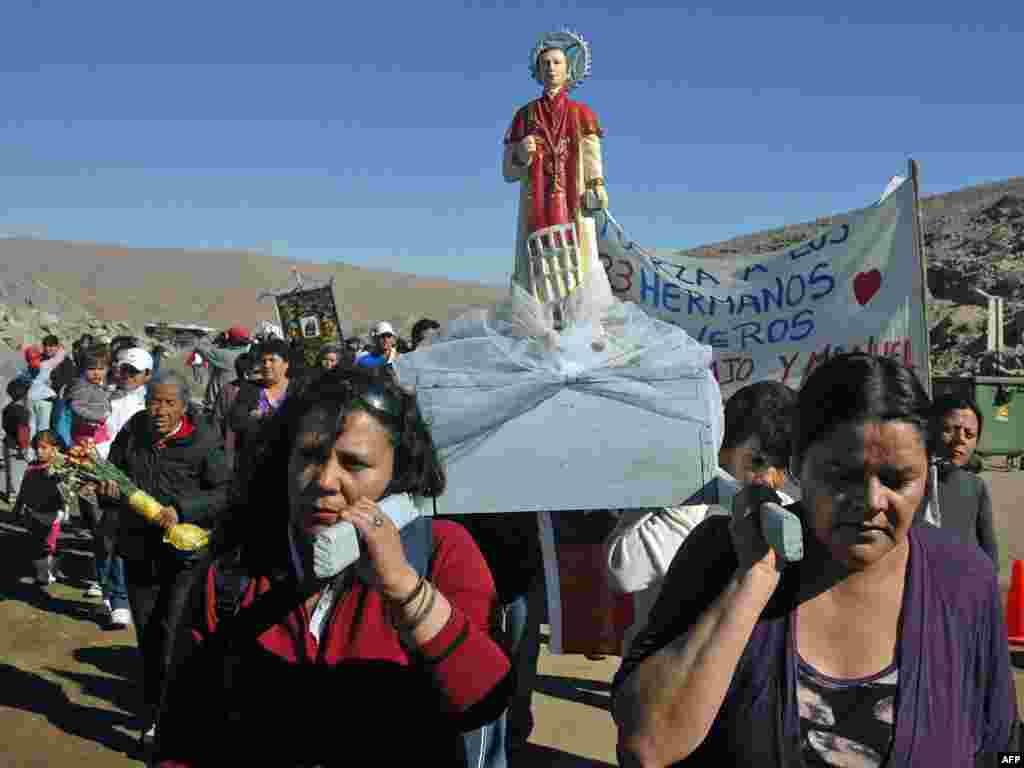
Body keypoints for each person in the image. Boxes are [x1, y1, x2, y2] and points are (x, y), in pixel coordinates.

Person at [612, 353, 1020, 766]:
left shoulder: (965, 580)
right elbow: (647, 745)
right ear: (795, 466)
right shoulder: (721, 555)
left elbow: (1002, 749)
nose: (871, 502)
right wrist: (752, 580)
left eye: (898, 480)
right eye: (842, 476)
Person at [154, 367, 513, 766]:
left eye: (354, 464)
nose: (325, 480)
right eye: (309, 456)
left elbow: (484, 700)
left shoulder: (442, 552)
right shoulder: (235, 570)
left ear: (397, 474)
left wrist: (404, 590)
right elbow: (183, 732)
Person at [605, 381, 797, 652]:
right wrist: (696, 494)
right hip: (659, 669)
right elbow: (624, 572)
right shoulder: (671, 491)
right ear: (724, 445)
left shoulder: (783, 510)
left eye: (782, 466)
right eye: (758, 461)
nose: (770, 478)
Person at [97, 370, 231, 750]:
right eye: (154, 400)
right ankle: (154, 714)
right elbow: (114, 477)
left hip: (185, 557)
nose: (159, 410)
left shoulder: (204, 440)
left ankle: (178, 718)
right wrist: (109, 491)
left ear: (183, 406)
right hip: (140, 552)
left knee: (175, 634)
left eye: (169, 402)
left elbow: (224, 492)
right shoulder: (134, 431)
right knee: (150, 637)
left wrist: (183, 508)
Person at [503, 29, 614, 337]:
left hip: (572, 204)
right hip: (536, 207)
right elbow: (508, 173)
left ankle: (581, 328)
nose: (551, 68)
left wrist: (596, 184)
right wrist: (521, 154)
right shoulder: (523, 116)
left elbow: (592, 155)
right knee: (535, 267)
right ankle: (542, 328)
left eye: (557, 62)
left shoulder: (582, 114)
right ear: (537, 71)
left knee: (579, 263)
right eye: (546, 63)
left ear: (569, 70)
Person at [87, 346, 155, 629]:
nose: (126, 376)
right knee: (103, 534)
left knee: (122, 536)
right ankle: (107, 586)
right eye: (123, 369)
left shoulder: (152, 404)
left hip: (134, 478)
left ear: (147, 374)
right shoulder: (104, 397)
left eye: (133, 372)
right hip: (97, 472)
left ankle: (120, 598)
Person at [928, 395, 999, 568]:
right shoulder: (912, 482)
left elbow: (989, 553)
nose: (961, 439)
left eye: (970, 434)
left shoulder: (976, 487)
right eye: (949, 429)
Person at [227, 339, 298, 471]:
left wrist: (262, 415)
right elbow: (236, 421)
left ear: (286, 364)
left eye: (272, 360)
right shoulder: (249, 389)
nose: (266, 365)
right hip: (255, 465)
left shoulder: (299, 389)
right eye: (263, 361)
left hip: (291, 464)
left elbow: (301, 422)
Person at [13, 430, 70, 585]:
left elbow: (67, 493)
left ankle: (50, 572)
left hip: (53, 516)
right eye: (37, 447)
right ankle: (44, 574)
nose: (39, 451)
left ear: (56, 449)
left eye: (44, 447)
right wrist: (18, 507)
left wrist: (66, 509)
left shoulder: (60, 469)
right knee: (37, 544)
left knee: (50, 546)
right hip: (33, 513)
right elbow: (23, 489)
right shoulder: (31, 467)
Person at [67, 345, 113, 453]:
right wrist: (97, 417)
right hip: (86, 434)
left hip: (97, 432)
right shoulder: (83, 386)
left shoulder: (97, 384)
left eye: (101, 369)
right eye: (91, 369)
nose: (96, 373)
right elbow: (76, 406)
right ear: (83, 369)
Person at [3, 379, 33, 503]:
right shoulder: (23, 412)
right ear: (25, 394)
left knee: (10, 472)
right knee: (19, 473)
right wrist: (24, 448)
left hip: (7, 442)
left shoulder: (7, 408)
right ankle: (17, 497)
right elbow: (23, 432)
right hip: (17, 446)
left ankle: (11, 494)